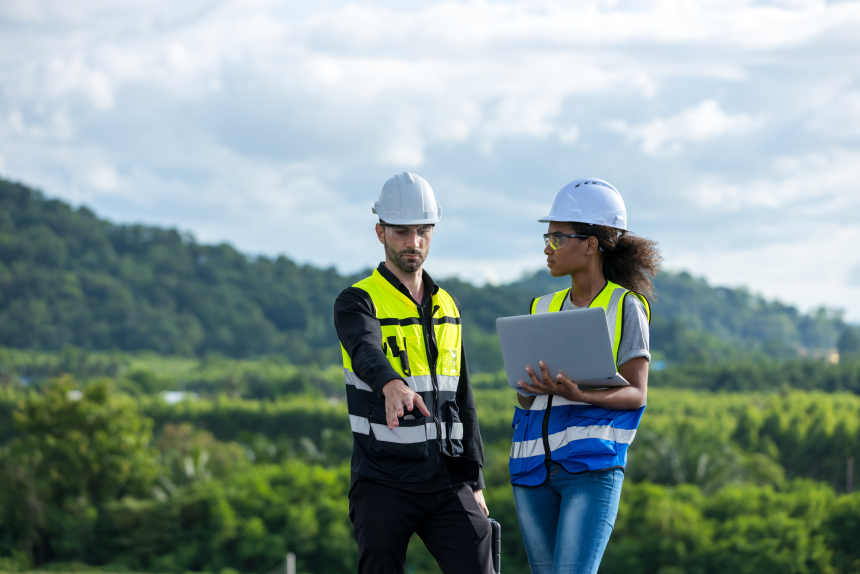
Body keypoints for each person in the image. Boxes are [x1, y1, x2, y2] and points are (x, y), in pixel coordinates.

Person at [334, 172, 493, 574]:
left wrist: (474, 480)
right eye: (402, 231)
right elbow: (365, 348)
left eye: (423, 231)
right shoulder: (358, 300)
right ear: (380, 232)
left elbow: (462, 398)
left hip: (447, 475)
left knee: (481, 560)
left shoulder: (448, 306)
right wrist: (391, 384)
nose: (414, 242)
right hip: (382, 477)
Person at [509, 178, 662, 574]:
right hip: (531, 469)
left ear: (591, 244)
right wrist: (528, 387)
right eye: (547, 237)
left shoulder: (625, 306)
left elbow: (637, 394)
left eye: (558, 238)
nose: (547, 247)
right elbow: (526, 398)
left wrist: (580, 394)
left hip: (591, 469)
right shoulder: (541, 306)